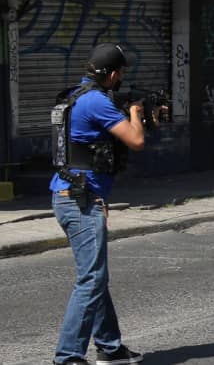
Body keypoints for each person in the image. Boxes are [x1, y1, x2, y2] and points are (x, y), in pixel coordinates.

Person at [50, 43, 148, 365]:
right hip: (80, 200)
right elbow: (135, 141)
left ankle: (110, 347)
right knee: (91, 278)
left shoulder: (78, 95)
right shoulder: (96, 101)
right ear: (114, 74)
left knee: (95, 276)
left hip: (73, 195)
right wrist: (135, 113)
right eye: (122, 73)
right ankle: (67, 357)